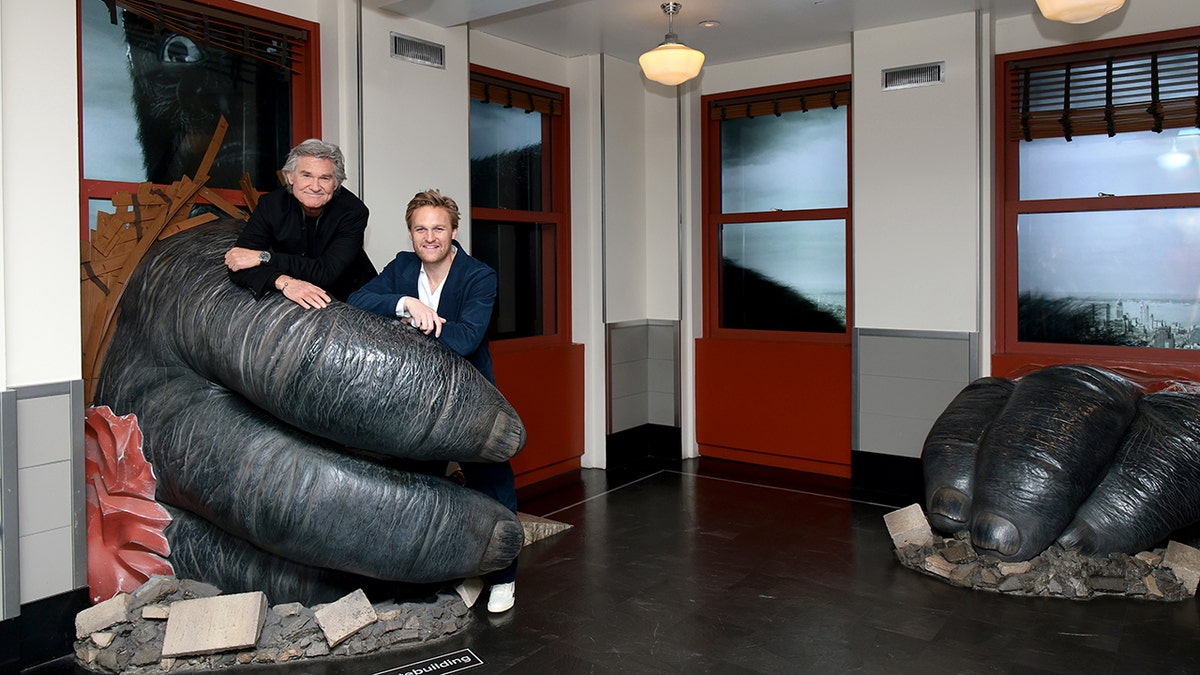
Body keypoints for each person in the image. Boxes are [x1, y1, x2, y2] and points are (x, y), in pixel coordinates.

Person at [348, 189, 518, 613]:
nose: (429, 237)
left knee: (492, 485)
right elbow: (356, 301)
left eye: (438, 228)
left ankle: (503, 577)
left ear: (453, 231)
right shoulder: (403, 267)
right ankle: (437, 575)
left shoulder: (479, 275)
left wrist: (418, 322)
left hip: (471, 401)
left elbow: (466, 338)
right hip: (415, 401)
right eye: (420, 229)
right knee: (421, 493)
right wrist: (405, 302)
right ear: (411, 233)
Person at [224, 139, 376, 308]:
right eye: (306, 175)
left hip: (354, 300)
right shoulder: (270, 205)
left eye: (325, 178)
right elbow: (238, 264)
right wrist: (284, 282)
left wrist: (264, 257)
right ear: (290, 177)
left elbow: (326, 272)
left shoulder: (353, 211)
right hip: (298, 299)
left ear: (336, 184)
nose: (315, 187)